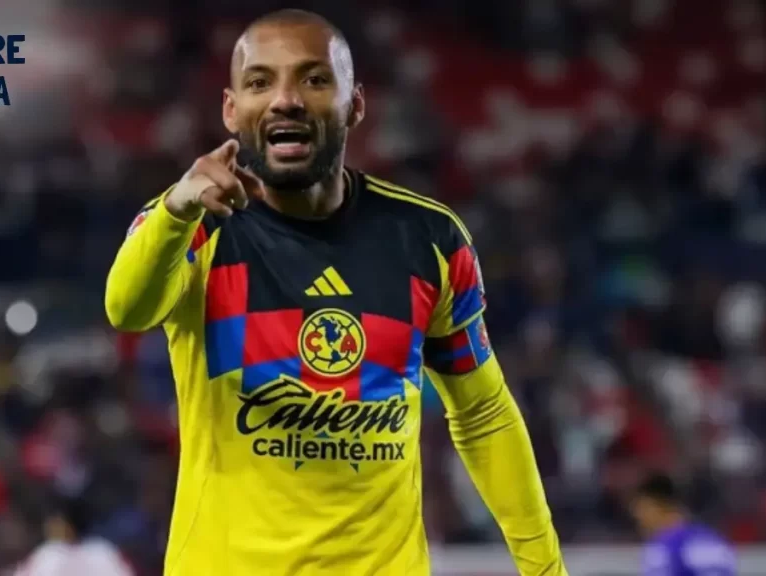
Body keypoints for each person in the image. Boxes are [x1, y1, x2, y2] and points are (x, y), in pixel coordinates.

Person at [105, 8, 566, 576]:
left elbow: (483, 412)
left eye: (315, 79)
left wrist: (545, 568)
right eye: (260, 82)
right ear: (231, 109)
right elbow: (127, 309)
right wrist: (176, 211)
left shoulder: (428, 240)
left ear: (356, 104)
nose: (286, 99)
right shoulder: (193, 225)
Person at [629, 474, 736, 576]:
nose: (638, 517)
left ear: (660, 506)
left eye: (642, 510)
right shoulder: (712, 539)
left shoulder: (663, 548)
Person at [13, 497, 133, 576]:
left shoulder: (49, 555)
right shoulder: (104, 552)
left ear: (69, 525)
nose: (50, 526)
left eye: (57, 522)